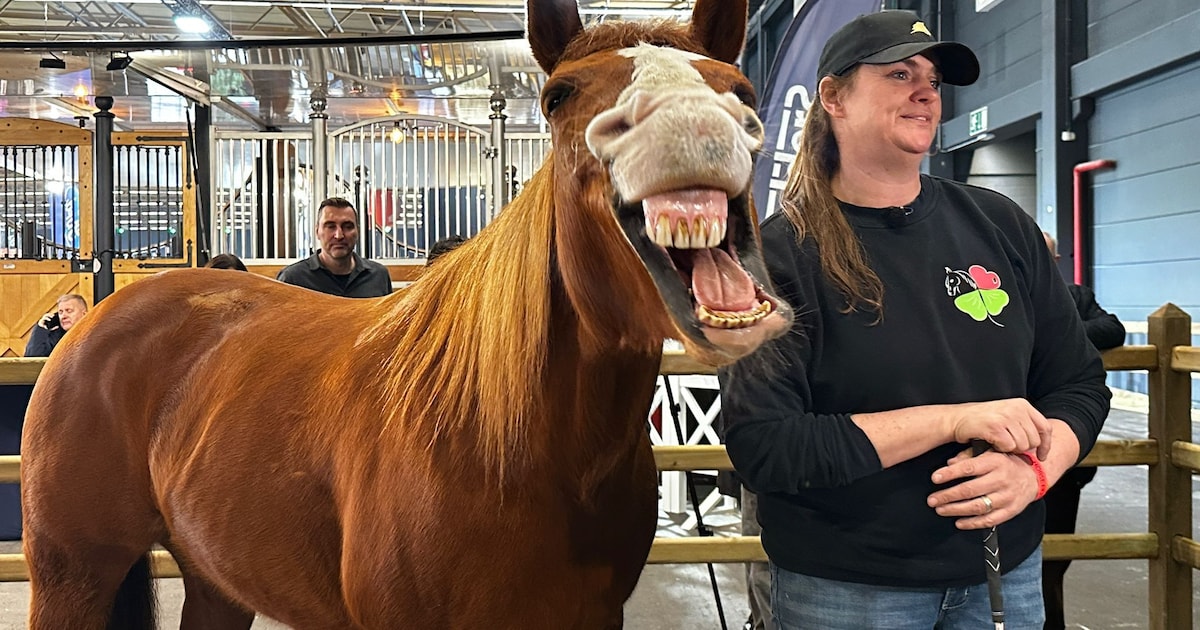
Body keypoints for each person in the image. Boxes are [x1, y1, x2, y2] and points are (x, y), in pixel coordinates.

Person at [718, 11, 1111, 629]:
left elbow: (1078, 382)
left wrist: (1037, 471)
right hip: (849, 588)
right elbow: (766, 447)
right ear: (833, 97)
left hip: (1003, 576)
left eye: (932, 79)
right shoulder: (776, 256)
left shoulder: (1001, 226)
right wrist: (951, 419)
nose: (925, 92)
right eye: (899, 74)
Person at [1040, 231, 1125, 630]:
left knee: (1054, 561)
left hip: (1063, 453)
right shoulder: (996, 298)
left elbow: (1113, 329)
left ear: (1056, 259)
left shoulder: (1075, 297)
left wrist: (1061, 340)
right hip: (1007, 444)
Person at [277, 197, 392, 298]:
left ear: (357, 231)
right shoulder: (292, 280)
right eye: (330, 227)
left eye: (347, 227)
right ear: (317, 232)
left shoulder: (378, 276)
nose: (339, 235)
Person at [24, 293, 89, 357]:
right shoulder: (54, 337)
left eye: (69, 311)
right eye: (60, 312)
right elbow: (31, 359)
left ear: (84, 314)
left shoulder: (92, 335)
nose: (63, 316)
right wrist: (40, 329)